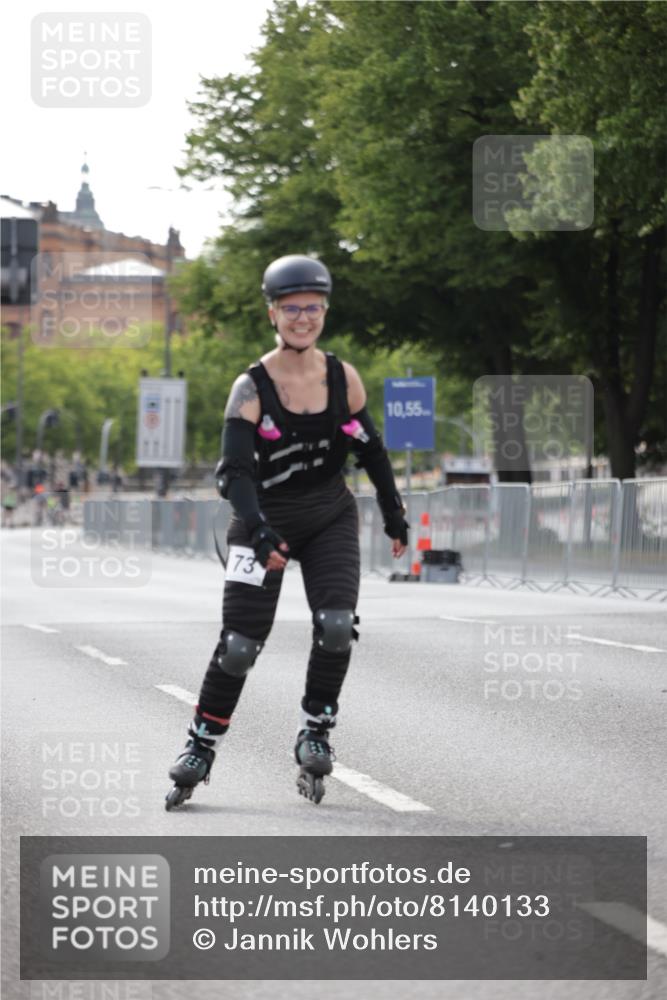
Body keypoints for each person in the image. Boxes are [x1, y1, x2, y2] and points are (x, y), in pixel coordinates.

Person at [166, 254, 409, 809]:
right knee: (239, 646)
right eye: (292, 308)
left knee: (336, 625)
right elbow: (235, 473)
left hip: (328, 516)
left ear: (325, 311)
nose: (304, 318)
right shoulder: (250, 388)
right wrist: (256, 531)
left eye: (314, 308)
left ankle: (315, 732)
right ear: (272, 312)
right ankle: (200, 745)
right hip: (263, 520)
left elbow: (370, 448)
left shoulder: (341, 378)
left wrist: (394, 513)